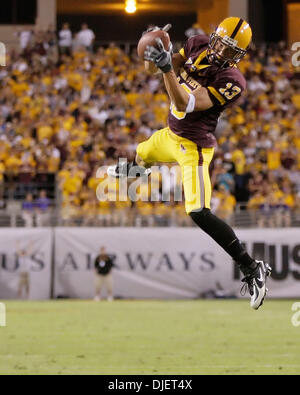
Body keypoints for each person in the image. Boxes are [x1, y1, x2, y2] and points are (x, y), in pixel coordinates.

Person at [108, 18, 272, 310]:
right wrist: (156, 50)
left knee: (198, 212)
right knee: (140, 154)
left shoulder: (232, 81)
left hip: (194, 146)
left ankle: (250, 266)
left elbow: (183, 103)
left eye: (231, 50)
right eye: (221, 42)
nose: (222, 51)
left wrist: (166, 68)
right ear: (214, 37)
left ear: (239, 55)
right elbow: (154, 66)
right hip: (170, 134)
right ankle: (132, 174)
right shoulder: (196, 43)